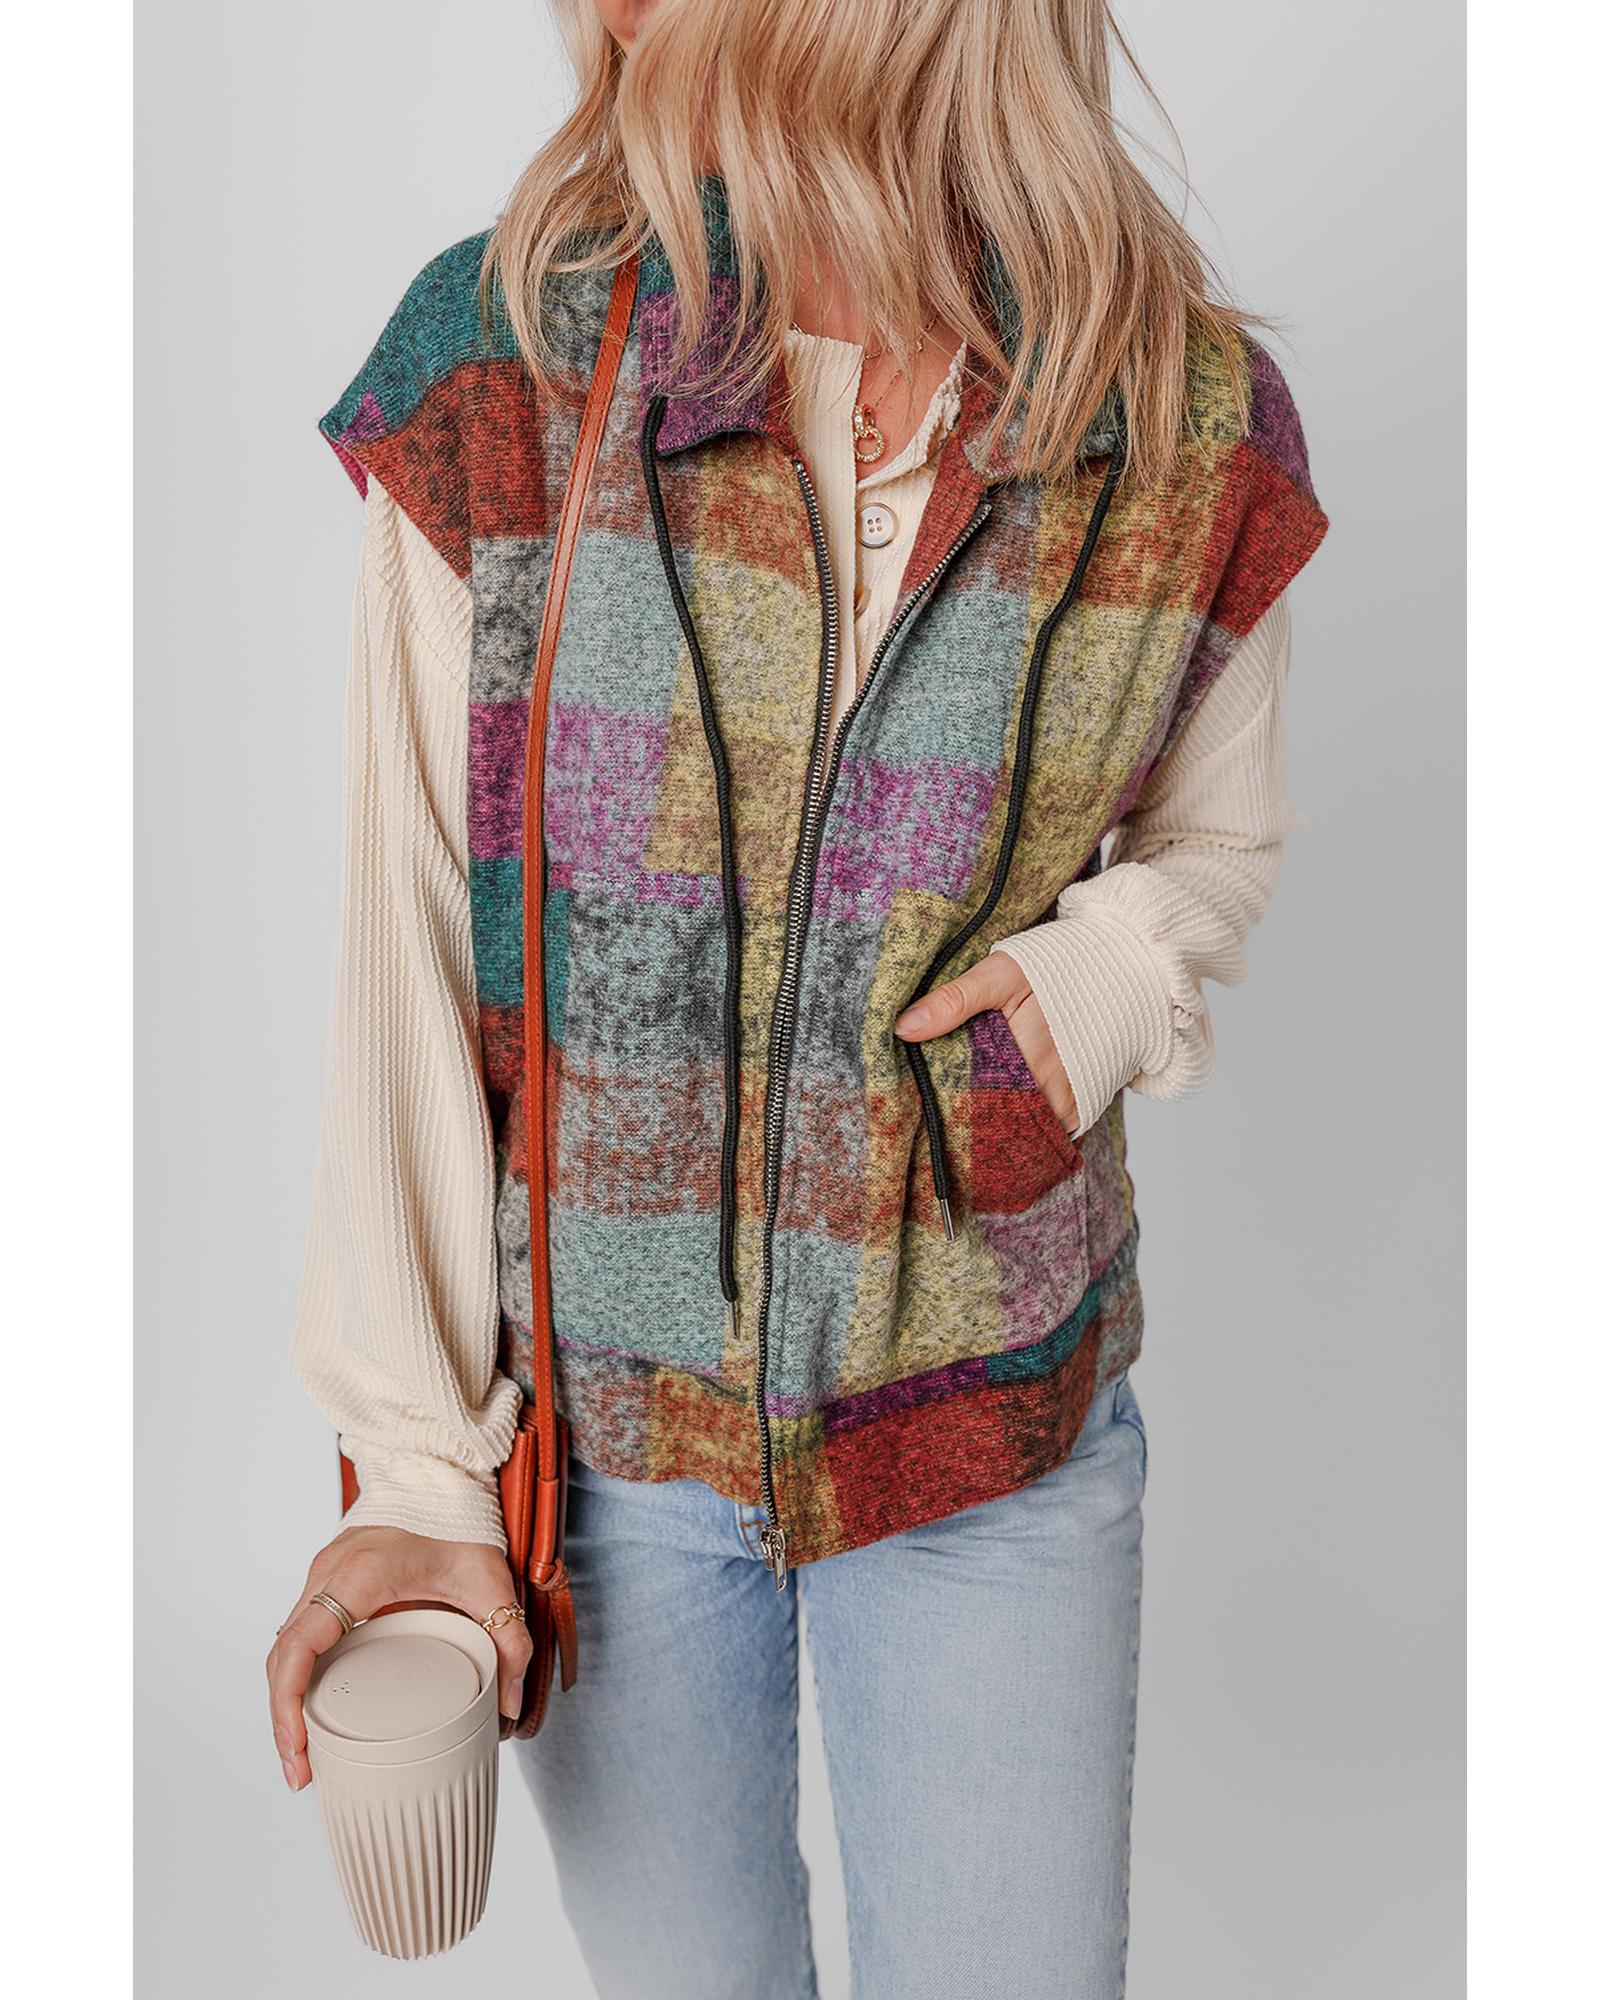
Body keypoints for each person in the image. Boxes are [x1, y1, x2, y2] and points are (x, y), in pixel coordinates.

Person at [266, 1, 1329, 1992]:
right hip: (612, 1454)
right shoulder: (502, 365)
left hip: (989, 1436)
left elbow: (1216, 844)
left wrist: (1099, 977)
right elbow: (405, 943)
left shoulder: (1188, 424)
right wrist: (416, 1470)